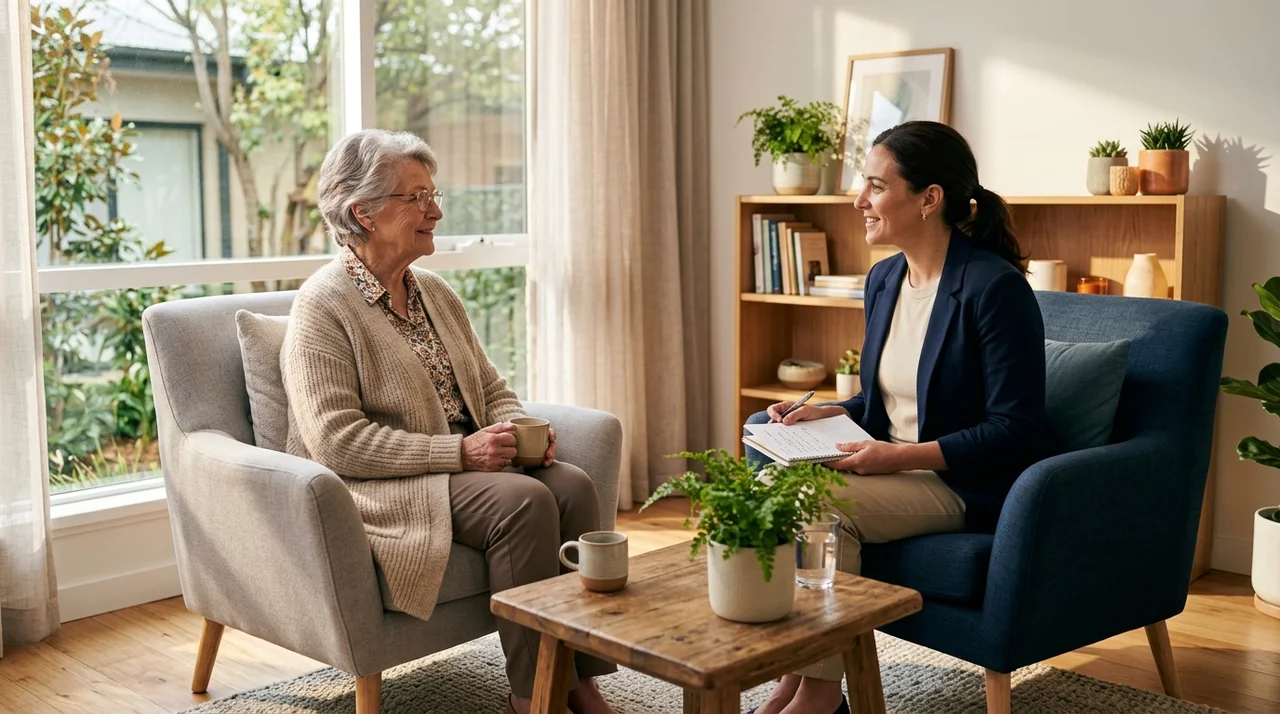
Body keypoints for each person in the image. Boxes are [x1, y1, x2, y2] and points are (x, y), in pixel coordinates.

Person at [281, 129, 617, 714]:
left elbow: (489, 387)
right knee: (522, 502)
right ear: (362, 211)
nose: (434, 210)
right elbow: (336, 441)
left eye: (433, 194)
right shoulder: (322, 306)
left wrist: (519, 431)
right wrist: (460, 454)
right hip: (386, 485)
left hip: (469, 466)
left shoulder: (433, 291)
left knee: (574, 485)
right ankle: (532, 699)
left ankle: (580, 679)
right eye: (416, 197)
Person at [746, 121, 1048, 714]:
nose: (860, 200)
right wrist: (833, 411)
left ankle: (820, 695)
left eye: (875, 186)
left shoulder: (994, 289)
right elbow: (890, 402)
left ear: (929, 198)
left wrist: (897, 456)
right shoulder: (885, 279)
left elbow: (1016, 430)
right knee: (769, 477)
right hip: (894, 467)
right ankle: (797, 675)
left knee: (813, 502)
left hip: (961, 483)